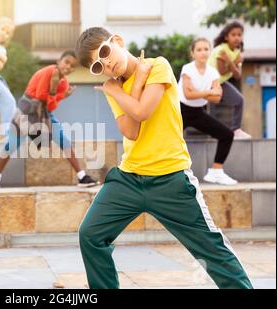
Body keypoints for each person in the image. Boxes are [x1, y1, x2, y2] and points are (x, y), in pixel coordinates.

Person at [75, 27, 252, 289]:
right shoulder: (117, 89)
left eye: (104, 52)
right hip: (129, 179)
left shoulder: (158, 66)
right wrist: (123, 89)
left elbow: (143, 111)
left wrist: (119, 91)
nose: (106, 64)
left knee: (210, 249)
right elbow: (131, 131)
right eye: (98, 66)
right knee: (90, 234)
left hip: (171, 180)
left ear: (118, 41)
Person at [0, 51, 99, 189]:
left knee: (63, 140)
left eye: (72, 66)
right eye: (66, 62)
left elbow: (51, 106)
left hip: (44, 112)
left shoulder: (63, 84)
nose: (68, 67)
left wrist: (60, 95)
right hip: (27, 109)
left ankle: (82, 177)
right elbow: (39, 95)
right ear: (59, 61)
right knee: (12, 143)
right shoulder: (49, 71)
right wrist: (54, 91)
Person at [179, 37, 237, 185]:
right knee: (171, 142)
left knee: (227, 135)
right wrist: (208, 92)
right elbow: (188, 95)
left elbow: (217, 98)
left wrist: (203, 93)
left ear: (210, 52)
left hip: (198, 112)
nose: (203, 52)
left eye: (206, 49)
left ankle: (216, 172)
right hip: (179, 110)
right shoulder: (187, 69)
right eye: (199, 49)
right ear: (192, 53)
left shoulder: (213, 72)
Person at [209, 21, 251, 140]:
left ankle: (236, 129)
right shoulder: (221, 50)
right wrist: (233, 63)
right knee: (211, 105)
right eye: (233, 34)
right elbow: (222, 71)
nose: (237, 37)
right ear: (226, 37)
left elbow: (238, 75)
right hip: (208, 82)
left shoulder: (237, 51)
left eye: (239, 34)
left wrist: (230, 62)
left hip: (220, 82)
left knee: (239, 100)